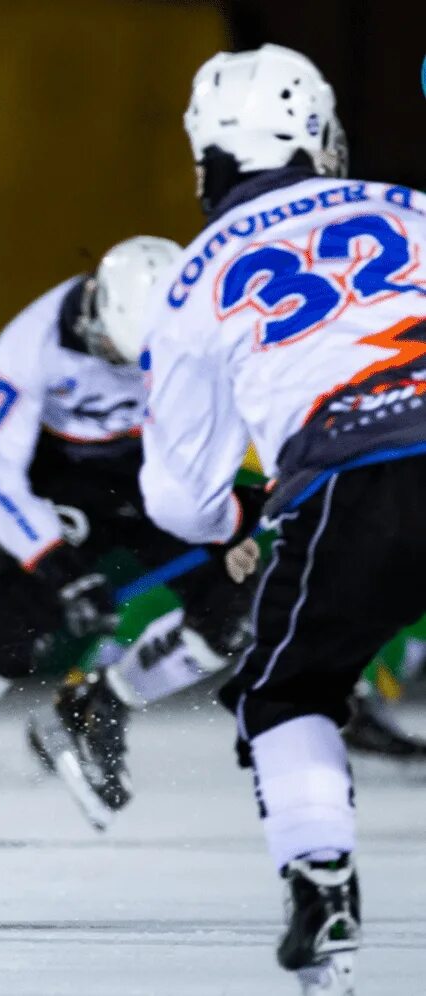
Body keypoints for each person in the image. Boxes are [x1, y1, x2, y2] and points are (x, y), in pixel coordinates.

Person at [141, 43, 426, 993]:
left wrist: (236, 514)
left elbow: (179, 496)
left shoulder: (195, 274)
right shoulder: (407, 206)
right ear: (314, 134)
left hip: (351, 479)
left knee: (288, 693)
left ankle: (322, 885)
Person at [0, 236, 259, 842]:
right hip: (57, 482)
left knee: (226, 618)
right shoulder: (29, 345)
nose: (131, 369)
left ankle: (101, 701)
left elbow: (243, 421)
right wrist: (59, 566)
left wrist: (236, 520)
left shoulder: (202, 334)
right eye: (120, 352)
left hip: (157, 474)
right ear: (95, 309)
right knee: (4, 641)